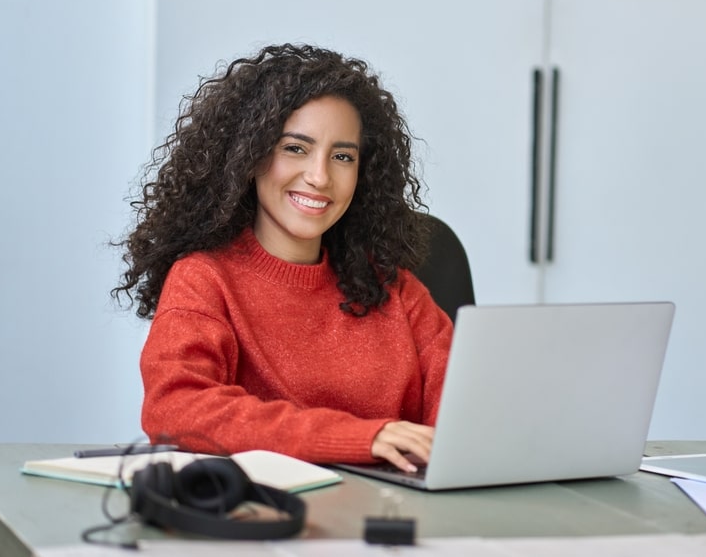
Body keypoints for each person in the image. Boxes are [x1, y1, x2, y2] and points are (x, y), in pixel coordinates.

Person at [112, 43, 453, 473]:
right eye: (295, 148)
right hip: (268, 523)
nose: (319, 176)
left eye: (343, 156)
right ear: (249, 157)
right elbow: (176, 409)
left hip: (399, 519)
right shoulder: (204, 279)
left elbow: (465, 415)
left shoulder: (395, 289)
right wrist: (362, 438)